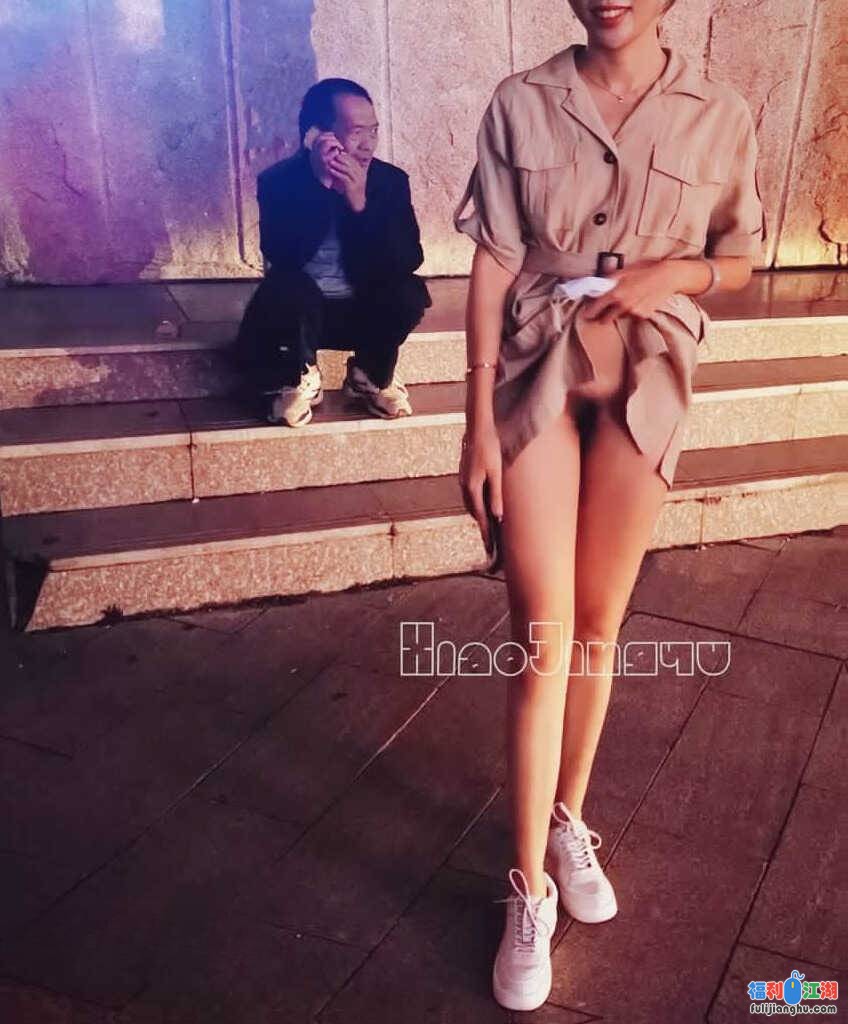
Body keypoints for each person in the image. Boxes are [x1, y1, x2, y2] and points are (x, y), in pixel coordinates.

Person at [453, 0, 765, 1012]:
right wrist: (473, 423)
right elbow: (494, 260)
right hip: (536, 376)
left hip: (650, 378)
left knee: (597, 626)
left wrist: (679, 270)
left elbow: (741, 256)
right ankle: (527, 890)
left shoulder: (719, 110)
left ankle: (566, 819)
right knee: (541, 631)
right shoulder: (521, 101)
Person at [236, 78, 431, 426]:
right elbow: (283, 256)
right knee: (287, 286)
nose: (367, 144)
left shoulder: (389, 181)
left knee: (409, 291)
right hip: (300, 316)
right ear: (317, 135)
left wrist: (360, 204)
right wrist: (320, 187)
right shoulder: (279, 181)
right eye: (356, 132)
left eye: (373, 131)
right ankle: (298, 376)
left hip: (361, 311)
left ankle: (370, 375)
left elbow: (407, 259)